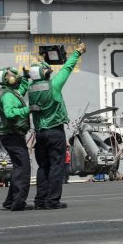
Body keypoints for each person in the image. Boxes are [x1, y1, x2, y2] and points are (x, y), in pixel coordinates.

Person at [28, 43, 86, 209]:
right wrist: (77, 52)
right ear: (45, 73)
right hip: (54, 132)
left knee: (43, 167)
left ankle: (40, 201)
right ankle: (52, 200)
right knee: (56, 166)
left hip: (39, 133)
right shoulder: (53, 86)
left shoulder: (31, 89)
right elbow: (67, 68)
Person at [0, 66, 35, 211]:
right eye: (14, 75)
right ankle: (18, 203)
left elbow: (22, 89)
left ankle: (11, 200)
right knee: (23, 168)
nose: (16, 76)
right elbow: (10, 113)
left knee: (19, 168)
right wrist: (28, 109)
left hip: (10, 135)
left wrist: (25, 77)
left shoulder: (11, 92)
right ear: (8, 78)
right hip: (12, 135)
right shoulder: (7, 96)